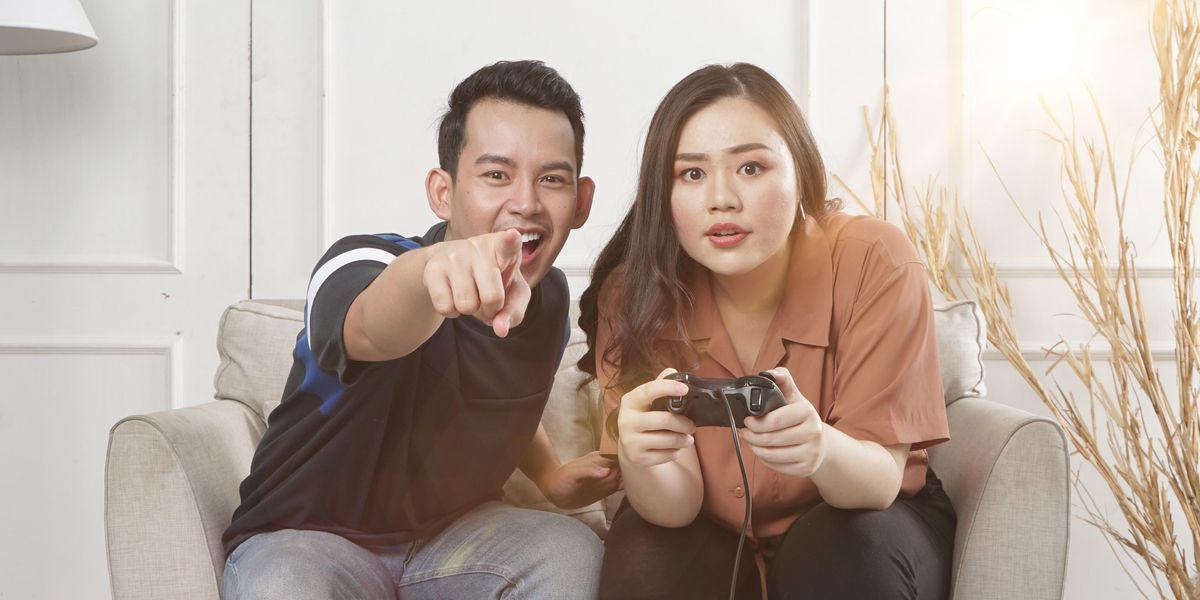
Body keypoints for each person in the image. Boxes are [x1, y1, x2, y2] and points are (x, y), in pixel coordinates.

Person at [221, 60, 619, 599]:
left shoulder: (547, 298)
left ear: (582, 202)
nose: (525, 202)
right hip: (307, 538)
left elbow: (506, 400)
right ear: (442, 191)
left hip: (452, 541)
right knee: (283, 582)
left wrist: (550, 474)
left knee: (570, 551)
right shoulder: (360, 263)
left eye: (552, 179)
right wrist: (428, 274)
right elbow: (370, 329)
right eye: (496, 175)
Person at [579, 63, 956, 599]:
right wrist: (643, 462)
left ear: (800, 170)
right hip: (706, 527)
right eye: (691, 174)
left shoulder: (873, 257)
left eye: (751, 168)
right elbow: (676, 505)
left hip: (864, 514)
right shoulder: (635, 293)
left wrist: (820, 448)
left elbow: (879, 480)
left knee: (835, 549)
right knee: (647, 553)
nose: (722, 199)